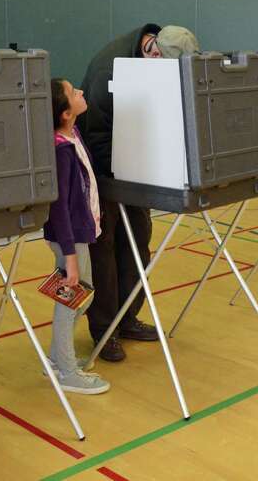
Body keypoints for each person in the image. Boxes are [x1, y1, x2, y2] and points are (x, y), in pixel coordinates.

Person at [77, 24, 200, 361]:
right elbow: (97, 134)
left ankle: (127, 318)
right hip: (101, 167)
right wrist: (120, 177)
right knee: (104, 249)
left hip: (136, 163)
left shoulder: (156, 54)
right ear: (154, 51)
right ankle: (105, 331)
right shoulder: (109, 67)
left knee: (138, 242)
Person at [42, 78, 110, 394]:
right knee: (70, 301)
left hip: (81, 233)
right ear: (65, 113)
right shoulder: (60, 151)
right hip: (69, 238)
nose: (80, 92)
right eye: (73, 93)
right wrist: (70, 258)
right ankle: (66, 371)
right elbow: (59, 210)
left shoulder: (74, 135)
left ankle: (58, 358)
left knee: (83, 294)